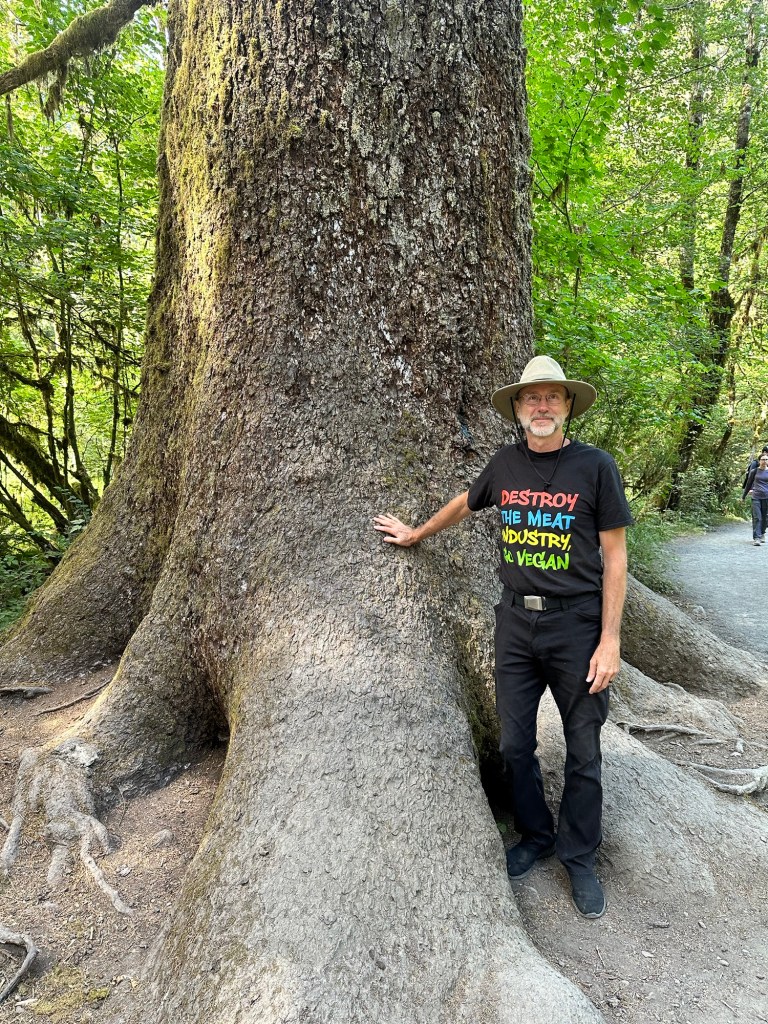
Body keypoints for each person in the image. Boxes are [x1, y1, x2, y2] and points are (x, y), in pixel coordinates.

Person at [374, 355, 634, 920]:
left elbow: (615, 559)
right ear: (518, 409)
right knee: (515, 746)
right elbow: (467, 504)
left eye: (552, 398)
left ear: (568, 406)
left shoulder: (595, 467)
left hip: (578, 626)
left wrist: (610, 639)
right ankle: (536, 835)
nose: (541, 407)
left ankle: (580, 856)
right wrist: (416, 533)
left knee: (584, 748)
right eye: (530, 398)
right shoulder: (504, 463)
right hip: (515, 624)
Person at [742, 451, 768, 546]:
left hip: (767, 497)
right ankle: (756, 538)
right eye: (763, 459)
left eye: (766, 460)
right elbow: (748, 484)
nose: (764, 461)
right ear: (759, 461)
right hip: (756, 497)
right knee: (757, 517)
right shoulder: (755, 471)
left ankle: (762, 533)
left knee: (765, 518)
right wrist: (743, 496)